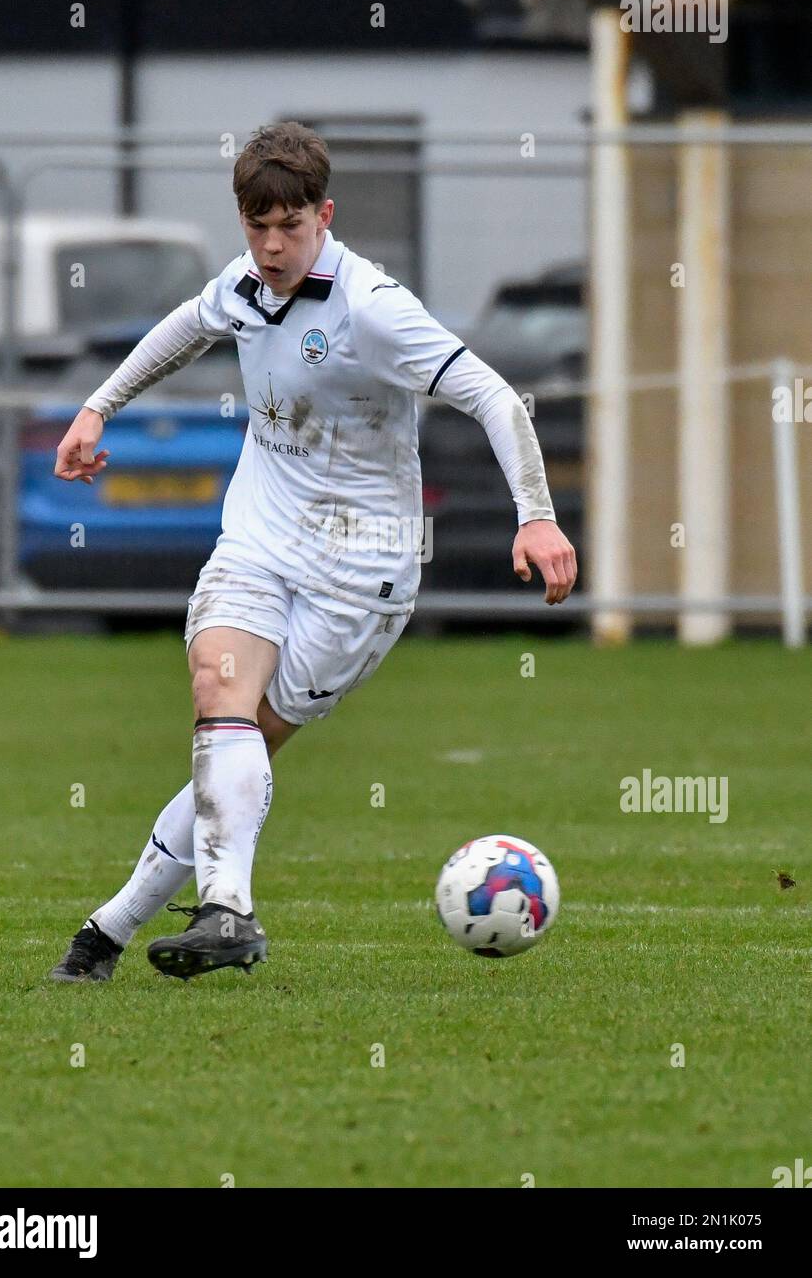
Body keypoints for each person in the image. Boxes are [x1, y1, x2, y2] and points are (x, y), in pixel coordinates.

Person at [49, 120, 577, 983]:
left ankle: (108, 931)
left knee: (242, 745)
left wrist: (537, 516)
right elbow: (185, 327)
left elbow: (493, 397)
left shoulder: (373, 308)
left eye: (289, 227)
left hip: (361, 570)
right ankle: (228, 912)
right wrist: (98, 408)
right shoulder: (247, 283)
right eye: (256, 227)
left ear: (323, 216)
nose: (270, 245)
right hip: (260, 539)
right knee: (219, 692)